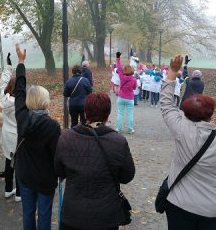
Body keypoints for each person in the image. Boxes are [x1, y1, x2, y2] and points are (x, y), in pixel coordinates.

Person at [161, 55, 216, 230]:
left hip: (180, 203)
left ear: (185, 114)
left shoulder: (181, 129)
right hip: (214, 207)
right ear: (211, 113)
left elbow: (166, 104)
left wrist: (172, 72)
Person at [54, 92, 135, 230]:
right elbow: (127, 176)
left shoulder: (66, 138)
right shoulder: (118, 141)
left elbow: (59, 171)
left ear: (86, 112)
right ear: (108, 114)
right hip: (106, 215)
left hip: (73, 213)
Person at [14, 44, 61, 230]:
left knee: (27, 213)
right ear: (45, 100)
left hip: (25, 174)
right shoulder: (52, 126)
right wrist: (61, 174)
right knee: (44, 215)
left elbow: (19, 90)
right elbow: (57, 156)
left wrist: (21, 63)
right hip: (45, 178)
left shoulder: (21, 116)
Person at [0, 52, 21, 201]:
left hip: (6, 135)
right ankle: (19, 193)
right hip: (18, 136)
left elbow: (2, 82)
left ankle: (7, 190)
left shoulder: (3, 98)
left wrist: (8, 67)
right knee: (19, 164)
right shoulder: (22, 103)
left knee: (8, 161)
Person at [116, 52, 137, 134]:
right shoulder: (134, 79)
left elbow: (119, 67)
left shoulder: (122, 77)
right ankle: (130, 129)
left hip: (121, 97)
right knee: (130, 114)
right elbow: (135, 88)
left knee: (120, 113)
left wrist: (118, 58)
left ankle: (118, 128)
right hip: (130, 98)